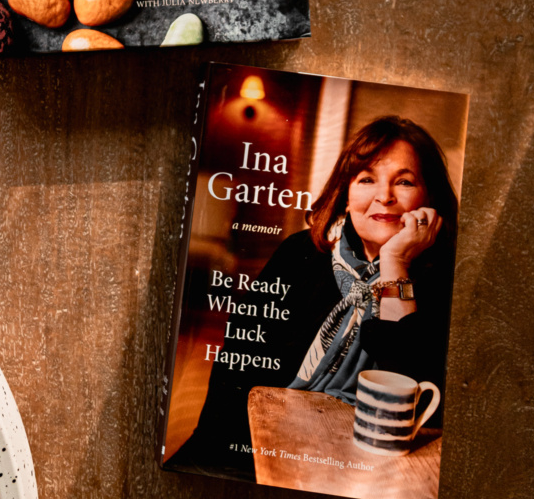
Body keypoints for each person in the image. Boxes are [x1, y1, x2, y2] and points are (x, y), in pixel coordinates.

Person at [166, 116, 459, 480]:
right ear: (346, 194)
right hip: (252, 448)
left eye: (404, 181)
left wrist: (394, 264)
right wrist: (219, 454)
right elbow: (237, 360)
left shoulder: (448, 280)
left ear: (429, 198)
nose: (384, 196)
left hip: (370, 469)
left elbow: (413, 398)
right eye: (367, 179)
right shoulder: (299, 253)